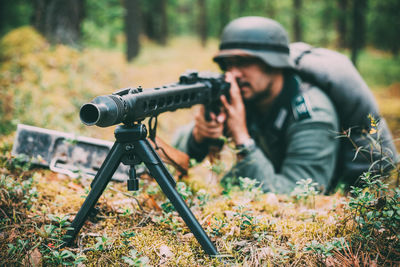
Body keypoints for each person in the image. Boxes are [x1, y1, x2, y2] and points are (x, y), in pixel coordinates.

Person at [173, 16, 394, 194]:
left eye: (244, 62)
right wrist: (199, 137)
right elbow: (172, 155)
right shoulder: (248, 94)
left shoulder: (313, 111)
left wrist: (242, 140)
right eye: (228, 64)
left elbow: (298, 195)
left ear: (274, 63)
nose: (233, 74)